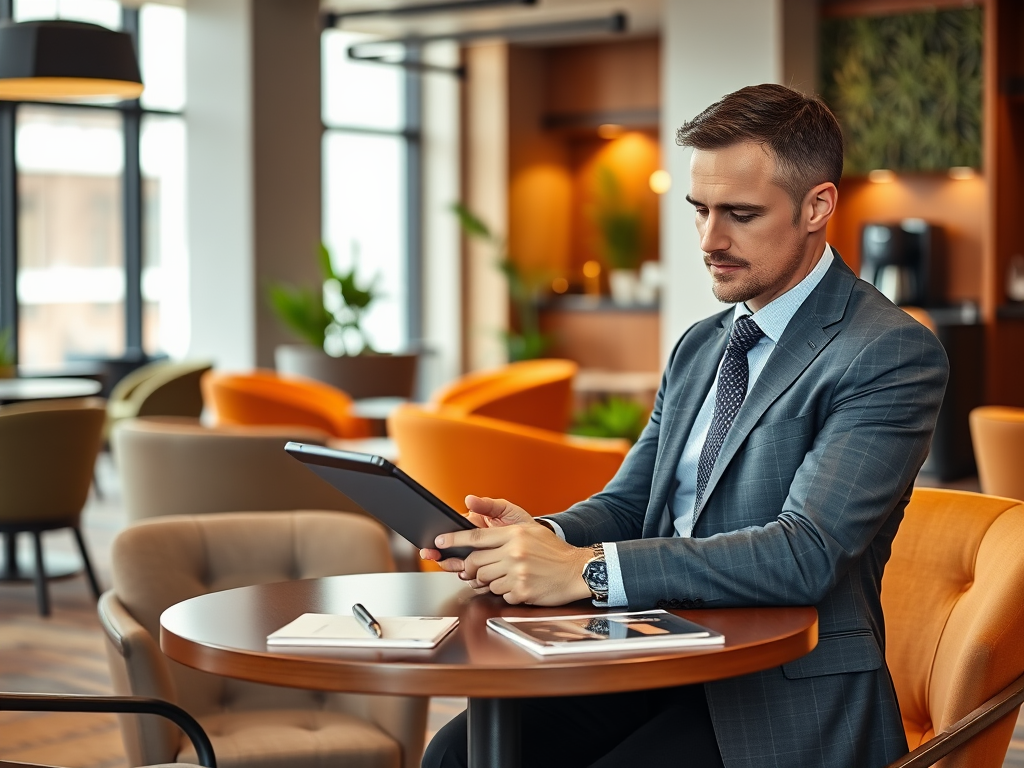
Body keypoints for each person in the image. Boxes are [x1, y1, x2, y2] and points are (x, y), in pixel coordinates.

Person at [420, 83, 949, 768]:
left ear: (817, 206)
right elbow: (632, 502)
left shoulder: (885, 350)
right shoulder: (702, 345)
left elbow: (806, 552)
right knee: (455, 755)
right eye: (699, 210)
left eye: (740, 214)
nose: (710, 240)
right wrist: (539, 538)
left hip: (774, 687)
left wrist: (587, 571)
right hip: (650, 652)